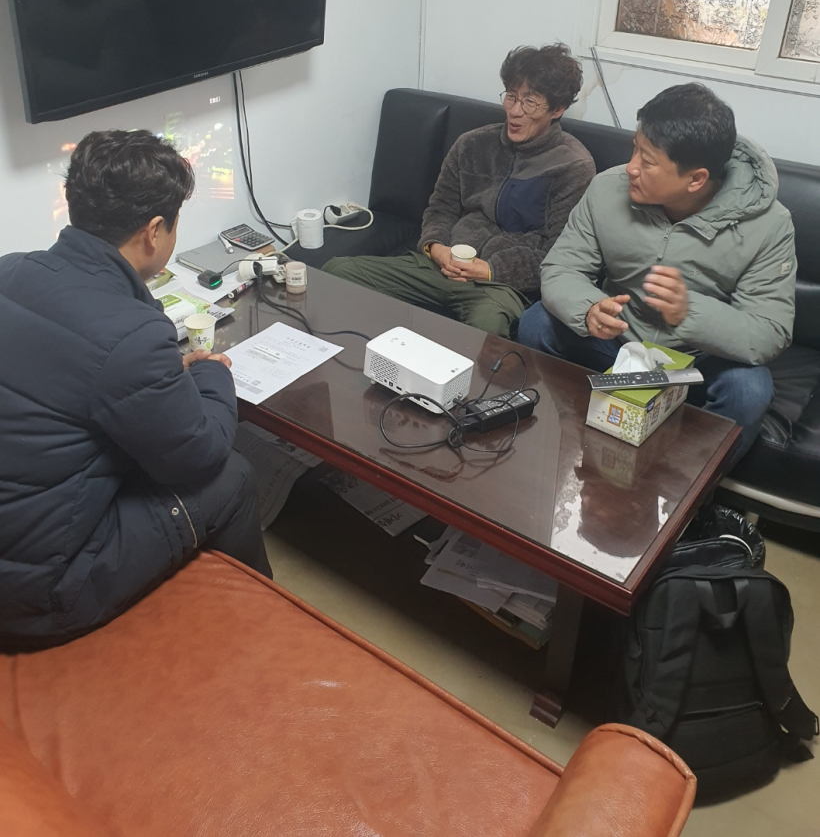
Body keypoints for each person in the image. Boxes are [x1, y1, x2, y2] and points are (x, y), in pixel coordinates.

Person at [0, 130, 271, 651]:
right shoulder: (131, 334)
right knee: (232, 476)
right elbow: (199, 455)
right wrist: (213, 374)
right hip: (40, 595)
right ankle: (259, 631)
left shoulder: (11, 270)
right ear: (154, 232)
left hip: (18, 541)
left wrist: (160, 371)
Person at [518, 83, 796, 461]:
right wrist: (589, 308)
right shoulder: (607, 189)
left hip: (697, 360)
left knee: (749, 390)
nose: (631, 167)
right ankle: (566, 441)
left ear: (696, 179)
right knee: (536, 323)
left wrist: (689, 312)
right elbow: (562, 266)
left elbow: (769, 331)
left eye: (647, 161)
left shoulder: (769, 225)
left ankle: (690, 485)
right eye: (635, 148)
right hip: (619, 342)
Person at [324, 43, 595, 337]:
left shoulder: (572, 166)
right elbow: (441, 207)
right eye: (511, 97)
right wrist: (436, 247)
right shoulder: (472, 144)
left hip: (500, 285)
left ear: (557, 109)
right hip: (439, 266)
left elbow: (559, 254)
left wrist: (490, 270)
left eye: (530, 102)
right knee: (336, 272)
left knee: (488, 324)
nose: (515, 111)